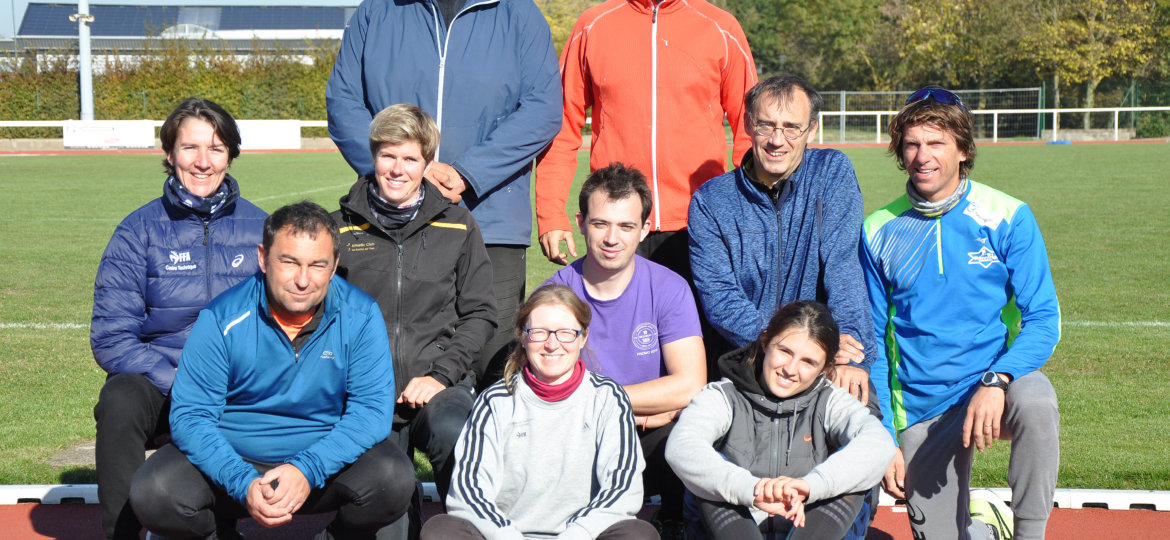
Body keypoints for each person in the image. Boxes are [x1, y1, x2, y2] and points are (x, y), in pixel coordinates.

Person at [129, 202, 416, 539]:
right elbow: (191, 416)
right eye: (289, 262)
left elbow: (370, 413)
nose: (303, 279)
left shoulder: (361, 314)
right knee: (154, 492)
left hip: (321, 464)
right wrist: (242, 482)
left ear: (335, 264)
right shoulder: (221, 318)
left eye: (318, 265)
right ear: (263, 258)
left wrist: (306, 469)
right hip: (235, 462)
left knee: (394, 479)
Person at [326, 0, 563, 389]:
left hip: (492, 220)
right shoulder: (377, 11)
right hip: (388, 221)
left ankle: (480, 446)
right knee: (384, 355)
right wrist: (405, 166)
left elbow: (543, 109)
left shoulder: (519, 13)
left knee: (493, 362)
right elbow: (343, 100)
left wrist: (468, 172)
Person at [862, 87, 1061, 540]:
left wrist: (997, 380)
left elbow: (1044, 319)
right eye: (912, 144)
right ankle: (981, 528)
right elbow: (870, 339)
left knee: (1037, 402)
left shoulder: (1008, 216)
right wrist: (884, 436)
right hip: (920, 406)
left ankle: (1030, 533)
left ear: (963, 150)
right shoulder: (877, 230)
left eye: (936, 143)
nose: (922, 156)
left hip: (991, 386)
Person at [89, 97, 267, 540]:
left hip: (236, 387)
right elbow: (111, 337)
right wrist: (176, 380)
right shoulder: (138, 230)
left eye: (217, 148)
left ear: (232, 154)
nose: (203, 162)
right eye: (190, 148)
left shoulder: (265, 229)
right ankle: (124, 533)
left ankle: (218, 523)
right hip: (162, 381)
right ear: (169, 154)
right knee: (120, 399)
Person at [332, 103, 496, 503]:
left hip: (437, 383)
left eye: (410, 158)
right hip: (363, 391)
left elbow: (481, 312)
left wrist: (441, 374)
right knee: (388, 500)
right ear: (373, 157)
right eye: (388, 155)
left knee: (457, 434)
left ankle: (464, 527)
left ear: (427, 162)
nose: (397, 168)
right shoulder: (338, 227)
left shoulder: (458, 224)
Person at [535, 0, 758, 278]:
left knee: (696, 323)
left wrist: (750, 213)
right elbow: (560, 126)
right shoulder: (592, 25)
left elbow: (751, 131)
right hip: (615, 226)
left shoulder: (722, 27)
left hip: (701, 224)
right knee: (619, 323)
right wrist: (551, 215)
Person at [422, 285, 658, 540]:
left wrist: (577, 534)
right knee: (440, 530)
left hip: (581, 536)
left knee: (639, 534)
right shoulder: (495, 401)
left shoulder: (608, 398)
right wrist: (506, 535)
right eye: (539, 332)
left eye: (566, 333)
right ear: (522, 337)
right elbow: (469, 490)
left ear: (583, 336)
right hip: (507, 535)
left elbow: (622, 489)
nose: (552, 344)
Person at [687, 74, 875, 392]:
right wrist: (791, 346)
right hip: (745, 366)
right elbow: (721, 300)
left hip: (821, 360)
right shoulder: (711, 200)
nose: (777, 140)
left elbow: (843, 269)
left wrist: (850, 355)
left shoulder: (831, 174)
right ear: (747, 124)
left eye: (791, 127)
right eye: (766, 125)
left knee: (866, 425)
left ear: (811, 129)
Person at [542, 163, 705, 530]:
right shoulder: (554, 296)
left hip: (649, 435)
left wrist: (604, 400)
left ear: (645, 228)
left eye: (626, 226)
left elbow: (691, 384)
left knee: (692, 434)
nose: (612, 238)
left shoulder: (670, 288)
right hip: (581, 437)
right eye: (601, 224)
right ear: (581, 222)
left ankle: (674, 523)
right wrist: (631, 409)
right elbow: (548, 392)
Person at [666, 301, 894, 539]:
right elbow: (682, 446)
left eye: (808, 362)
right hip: (737, 529)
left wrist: (811, 486)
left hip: (807, 527)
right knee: (709, 480)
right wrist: (751, 489)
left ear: (825, 368)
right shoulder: (724, 396)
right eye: (785, 351)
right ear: (765, 342)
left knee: (852, 478)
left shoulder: (829, 400)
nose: (790, 369)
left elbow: (878, 443)